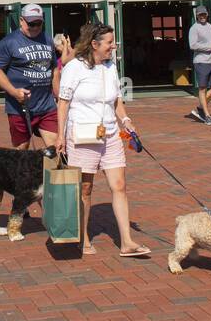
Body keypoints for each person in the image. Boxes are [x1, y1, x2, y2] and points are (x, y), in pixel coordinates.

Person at [55, 22, 150, 257]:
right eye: (109, 42)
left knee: (119, 185)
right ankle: (83, 238)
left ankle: (127, 242)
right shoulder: (74, 67)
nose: (114, 46)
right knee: (85, 188)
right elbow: (63, 103)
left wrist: (125, 120)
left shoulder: (110, 66)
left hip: (109, 133)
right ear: (94, 44)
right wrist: (60, 136)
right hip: (83, 134)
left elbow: (116, 99)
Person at [0, 4, 59, 151]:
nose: (34, 27)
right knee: (21, 151)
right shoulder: (8, 42)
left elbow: (54, 68)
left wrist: (58, 95)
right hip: (19, 108)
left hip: (47, 107)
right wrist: (14, 92)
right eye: (31, 23)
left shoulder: (47, 40)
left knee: (57, 149)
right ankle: (20, 175)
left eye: (38, 23)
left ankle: (52, 174)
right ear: (21, 20)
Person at [188, 6, 211, 124]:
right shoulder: (194, 28)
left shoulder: (210, 27)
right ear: (197, 16)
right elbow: (192, 45)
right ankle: (206, 115)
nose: (202, 16)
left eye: (204, 14)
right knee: (203, 88)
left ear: (207, 14)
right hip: (201, 62)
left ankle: (200, 108)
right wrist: (210, 47)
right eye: (200, 15)